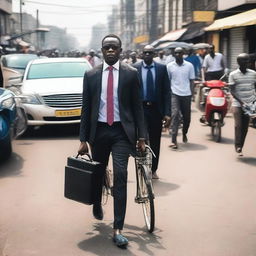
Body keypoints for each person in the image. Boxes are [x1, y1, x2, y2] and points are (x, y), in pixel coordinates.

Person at [78, 34, 146, 248]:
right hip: (98, 132)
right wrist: (83, 139)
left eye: (114, 48)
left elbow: (137, 107)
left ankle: (118, 228)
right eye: (106, 47)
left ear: (120, 50)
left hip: (121, 133)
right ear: (101, 50)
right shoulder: (90, 75)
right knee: (97, 173)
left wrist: (142, 136)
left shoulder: (131, 74)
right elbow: (86, 108)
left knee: (121, 175)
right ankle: (97, 202)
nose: (110, 51)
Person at [133, 45, 171, 179]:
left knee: (155, 140)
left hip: (156, 109)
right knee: (141, 138)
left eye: (150, 53)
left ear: (154, 54)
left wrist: (167, 113)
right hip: (140, 109)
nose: (147, 55)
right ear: (142, 54)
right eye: (145, 53)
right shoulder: (134, 68)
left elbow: (167, 92)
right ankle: (142, 167)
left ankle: (153, 169)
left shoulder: (161, 69)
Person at [167, 47, 195, 149]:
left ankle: (184, 133)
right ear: (174, 54)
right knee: (175, 115)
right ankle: (173, 140)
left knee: (187, 117)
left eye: (180, 53)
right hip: (174, 94)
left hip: (186, 94)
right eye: (176, 53)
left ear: (183, 54)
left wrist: (191, 93)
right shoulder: (169, 66)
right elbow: (168, 80)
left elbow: (192, 80)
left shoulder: (189, 66)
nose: (178, 54)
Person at [229, 53, 256, 156]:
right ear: (239, 62)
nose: (247, 63)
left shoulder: (253, 73)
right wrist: (241, 102)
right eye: (245, 61)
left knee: (245, 127)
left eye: (248, 61)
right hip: (238, 103)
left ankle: (241, 145)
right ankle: (238, 146)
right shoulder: (233, 74)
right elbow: (232, 91)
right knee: (238, 125)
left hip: (250, 104)